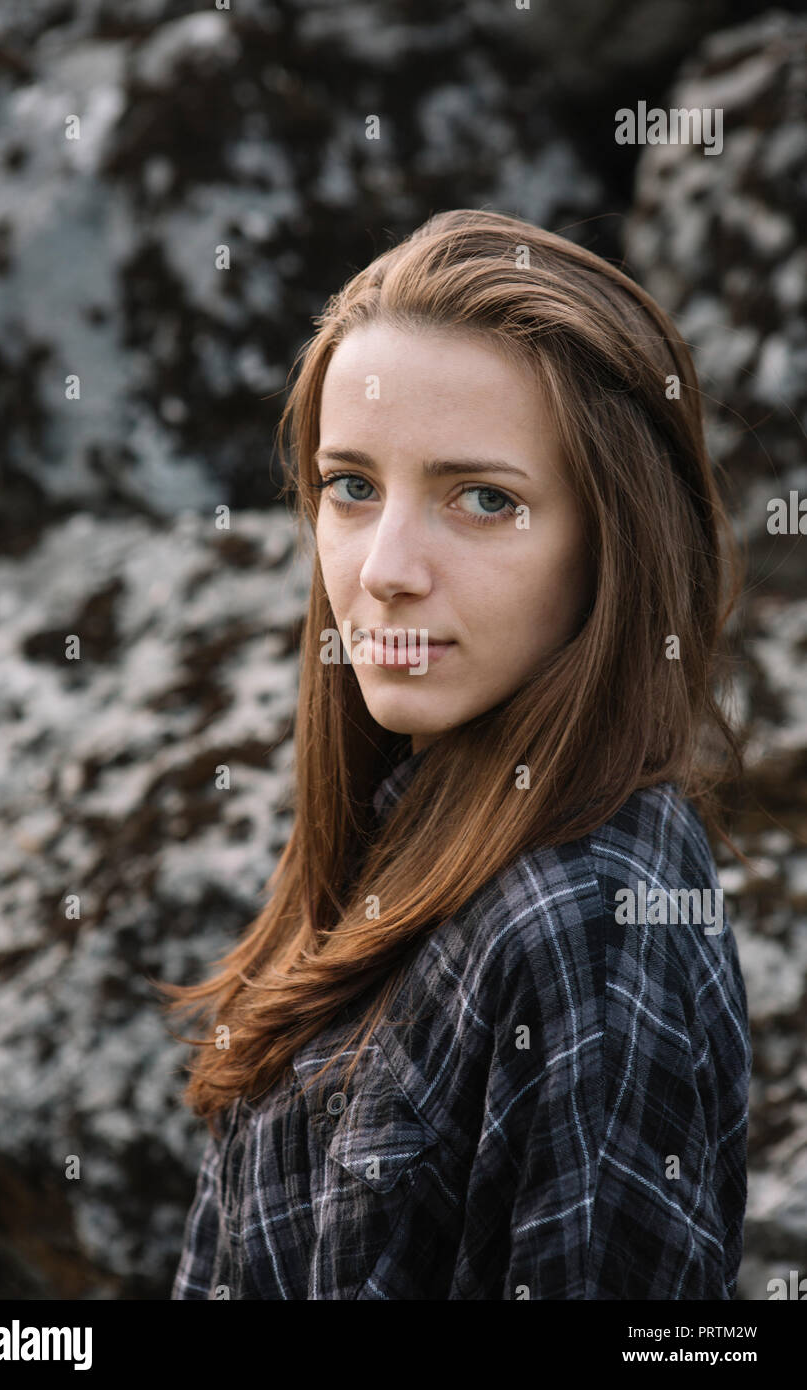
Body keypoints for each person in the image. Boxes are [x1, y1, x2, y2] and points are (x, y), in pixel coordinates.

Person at [159, 208, 751, 1300]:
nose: (384, 568)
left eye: (482, 499)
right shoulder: (406, 809)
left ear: (613, 542)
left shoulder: (590, 923)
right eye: (351, 486)